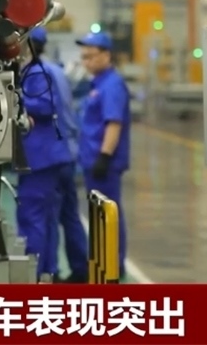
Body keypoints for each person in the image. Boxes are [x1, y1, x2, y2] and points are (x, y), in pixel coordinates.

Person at [17, 29, 85, 282]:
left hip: (42, 158)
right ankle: (50, 271)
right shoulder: (51, 69)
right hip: (59, 154)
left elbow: (45, 105)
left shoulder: (35, 72)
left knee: (32, 217)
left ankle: (34, 275)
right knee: (49, 218)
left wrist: (13, 99)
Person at [76, 31, 131, 276]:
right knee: (99, 215)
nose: (86, 62)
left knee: (108, 215)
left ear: (106, 56)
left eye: (91, 56)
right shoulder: (97, 84)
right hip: (92, 161)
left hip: (104, 164)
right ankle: (104, 263)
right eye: (84, 57)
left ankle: (114, 264)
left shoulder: (112, 85)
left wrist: (105, 156)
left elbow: (113, 123)